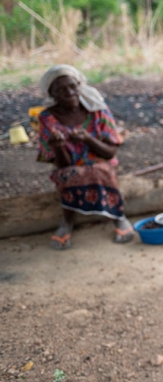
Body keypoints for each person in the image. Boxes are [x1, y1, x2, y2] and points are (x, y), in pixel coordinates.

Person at [37, 64, 134, 250]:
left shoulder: (97, 110)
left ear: (79, 86)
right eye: (61, 90)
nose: (70, 92)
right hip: (70, 168)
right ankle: (67, 223)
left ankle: (118, 217)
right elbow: (62, 165)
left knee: (99, 170)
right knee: (70, 174)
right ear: (52, 94)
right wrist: (58, 147)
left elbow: (110, 152)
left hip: (101, 162)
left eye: (73, 86)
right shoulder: (47, 119)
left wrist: (88, 139)